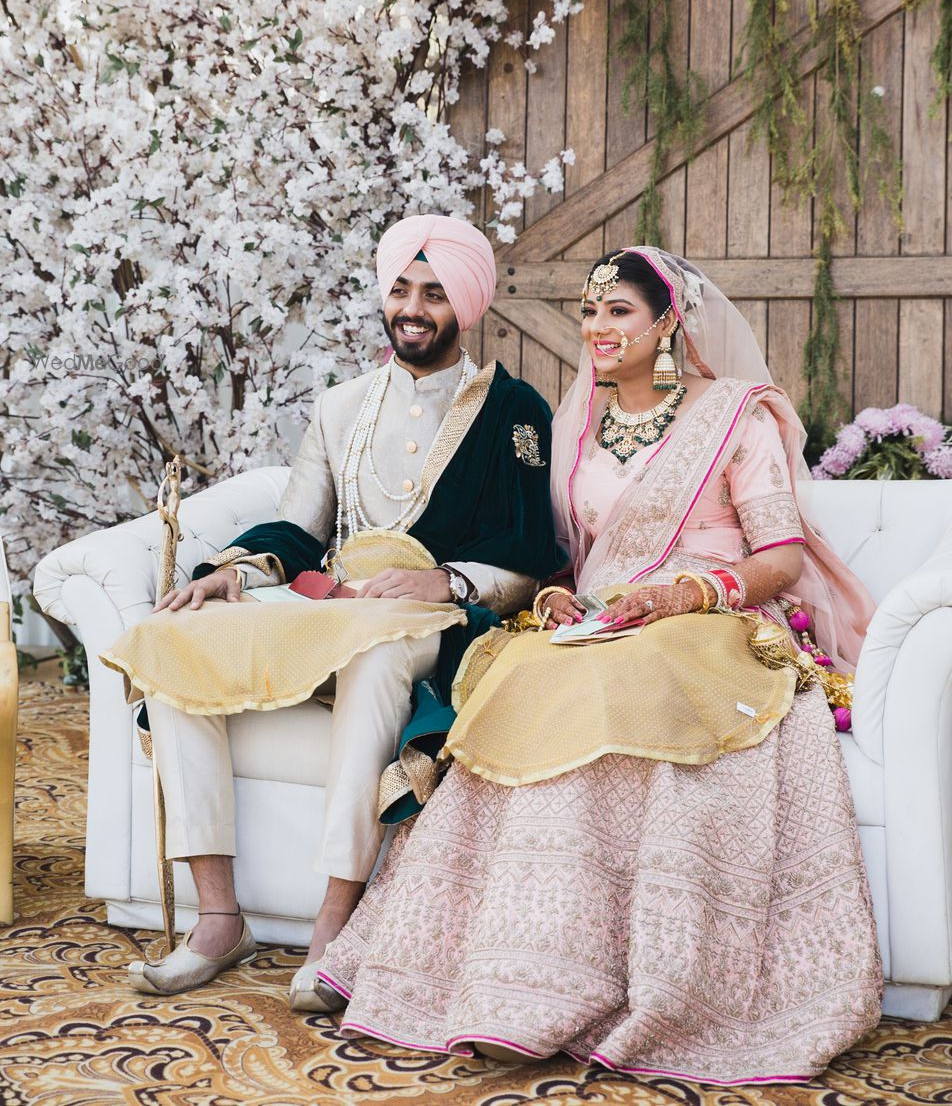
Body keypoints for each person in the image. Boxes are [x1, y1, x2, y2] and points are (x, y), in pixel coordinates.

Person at [317, 246, 883, 1085]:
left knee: (622, 676)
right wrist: (554, 600)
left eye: (618, 310)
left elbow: (782, 556)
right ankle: (505, 978)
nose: (597, 328)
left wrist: (685, 592)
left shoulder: (737, 416)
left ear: (667, 321)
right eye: (590, 310)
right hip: (606, 621)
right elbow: (568, 560)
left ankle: (621, 982)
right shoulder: (580, 423)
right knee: (523, 678)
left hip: (711, 615)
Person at [102, 214, 565, 1003]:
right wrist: (232, 571)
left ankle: (332, 929)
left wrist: (448, 580)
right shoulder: (341, 404)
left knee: (377, 654)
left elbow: (531, 555)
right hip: (336, 603)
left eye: (434, 293)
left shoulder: (514, 412)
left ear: (468, 305)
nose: (413, 307)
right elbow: (299, 523)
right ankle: (219, 918)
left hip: (428, 622)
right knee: (179, 637)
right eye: (401, 289)